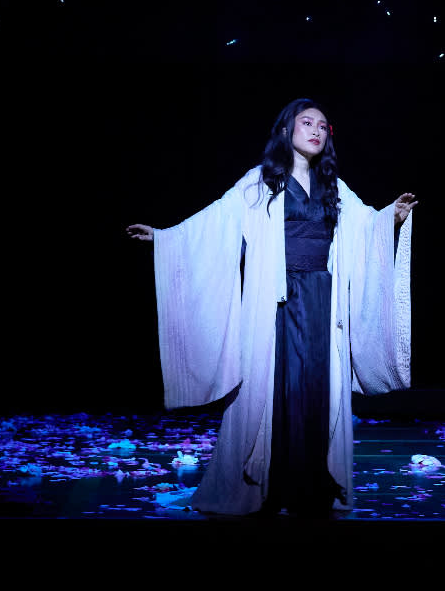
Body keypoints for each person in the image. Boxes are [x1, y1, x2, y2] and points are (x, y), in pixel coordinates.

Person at [127, 98, 417, 517]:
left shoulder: (334, 185)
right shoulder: (261, 181)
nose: (316, 130)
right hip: (278, 300)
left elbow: (365, 226)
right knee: (279, 387)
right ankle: (270, 485)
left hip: (321, 299)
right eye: (306, 122)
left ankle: (311, 485)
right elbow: (216, 222)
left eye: (322, 125)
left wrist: (392, 217)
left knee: (316, 388)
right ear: (286, 130)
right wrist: (164, 238)